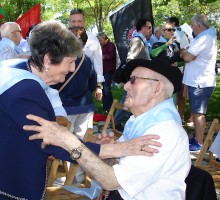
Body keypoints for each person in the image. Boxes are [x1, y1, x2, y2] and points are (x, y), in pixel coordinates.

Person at [0, 21, 161, 200]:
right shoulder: (26, 89)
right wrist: (120, 148)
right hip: (3, 173)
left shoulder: (23, 69)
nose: (73, 69)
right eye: (70, 61)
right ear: (48, 60)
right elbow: (56, 144)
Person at [24, 58, 191, 199]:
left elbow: (111, 181)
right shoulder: (141, 122)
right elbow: (117, 167)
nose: (126, 87)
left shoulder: (164, 132)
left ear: (157, 88)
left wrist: (69, 141)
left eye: (133, 80)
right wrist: (111, 152)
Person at [180, 14, 217, 150]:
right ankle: (198, 139)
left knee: (198, 113)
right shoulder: (204, 37)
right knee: (197, 112)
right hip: (198, 80)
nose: (191, 28)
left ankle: (200, 143)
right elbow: (188, 55)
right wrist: (186, 53)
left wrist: (185, 53)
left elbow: (187, 57)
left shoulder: (205, 38)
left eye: (192, 25)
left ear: (199, 26)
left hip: (200, 82)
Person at [114, 18, 153, 131]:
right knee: (127, 99)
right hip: (137, 77)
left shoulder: (142, 41)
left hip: (140, 77)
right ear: (143, 28)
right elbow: (130, 59)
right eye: (149, 27)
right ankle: (116, 122)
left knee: (131, 99)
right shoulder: (137, 40)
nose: (151, 30)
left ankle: (122, 121)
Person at [69, 8, 104, 101]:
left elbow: (98, 62)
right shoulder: (61, 38)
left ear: (85, 22)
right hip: (64, 86)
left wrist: (99, 86)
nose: (76, 24)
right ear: (69, 22)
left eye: (79, 21)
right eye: (73, 21)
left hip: (85, 86)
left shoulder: (93, 40)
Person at [97, 32, 117, 111]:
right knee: (102, 89)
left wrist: (100, 56)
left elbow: (110, 56)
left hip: (109, 70)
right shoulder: (100, 46)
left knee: (106, 89)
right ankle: (105, 106)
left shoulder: (111, 45)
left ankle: (110, 107)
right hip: (102, 70)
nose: (99, 42)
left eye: (100, 40)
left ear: (104, 39)